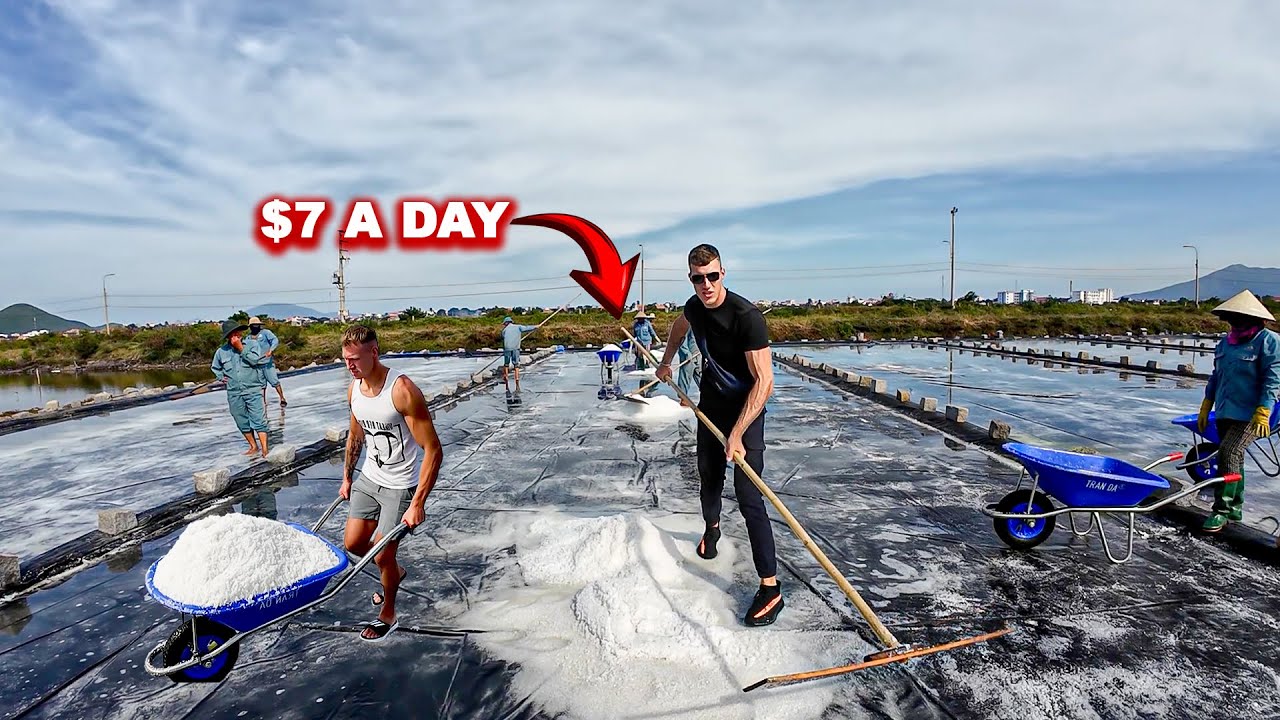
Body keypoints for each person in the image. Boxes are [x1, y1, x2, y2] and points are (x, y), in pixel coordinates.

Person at [655, 243, 781, 627]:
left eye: (712, 276)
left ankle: (770, 588)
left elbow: (765, 382)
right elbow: (680, 326)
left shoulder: (747, 317)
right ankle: (711, 528)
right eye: (698, 278)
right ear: (691, 279)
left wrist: (739, 432)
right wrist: (666, 359)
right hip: (710, 406)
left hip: (747, 411)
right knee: (709, 479)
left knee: (749, 497)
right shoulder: (694, 307)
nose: (706, 284)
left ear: (722, 273)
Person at [339, 325, 444, 641]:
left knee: (382, 554)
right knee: (353, 545)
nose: (350, 366)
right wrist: (346, 477)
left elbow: (433, 450)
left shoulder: (402, 390)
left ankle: (388, 613)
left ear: (374, 352)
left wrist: (418, 503)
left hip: (401, 485)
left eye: (355, 359)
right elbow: (356, 435)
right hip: (370, 479)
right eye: (345, 359)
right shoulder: (354, 389)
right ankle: (393, 573)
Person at [1196, 290, 1280, 532]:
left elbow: (1272, 380)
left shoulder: (1269, 342)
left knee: (1229, 451)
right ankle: (1236, 507)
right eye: (1231, 318)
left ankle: (1221, 510)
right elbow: (1216, 376)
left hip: (1253, 413)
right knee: (1234, 457)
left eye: (1238, 318)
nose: (1234, 323)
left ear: (1254, 318)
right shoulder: (1226, 343)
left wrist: (1264, 410)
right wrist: (1206, 405)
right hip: (1226, 409)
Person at [211, 320, 271, 457]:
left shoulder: (252, 345)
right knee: (240, 419)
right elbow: (215, 367)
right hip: (234, 391)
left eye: (236, 332)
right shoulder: (221, 352)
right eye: (231, 334)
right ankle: (253, 446)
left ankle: (265, 449)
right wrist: (221, 377)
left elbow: (255, 361)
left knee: (259, 419)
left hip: (252, 389)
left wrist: (240, 348)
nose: (235, 335)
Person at [248, 316, 287, 407]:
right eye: (253, 325)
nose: (255, 327)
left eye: (257, 325)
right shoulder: (248, 338)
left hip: (267, 364)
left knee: (274, 381)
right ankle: (263, 402)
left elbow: (275, 340)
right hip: (257, 365)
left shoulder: (266, 333)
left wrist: (271, 350)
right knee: (261, 385)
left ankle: (282, 398)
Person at [500, 316, 538, 397]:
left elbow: (504, 337)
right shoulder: (518, 327)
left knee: (506, 364)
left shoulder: (504, 330)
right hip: (515, 348)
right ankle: (517, 379)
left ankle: (506, 377)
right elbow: (527, 328)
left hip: (507, 348)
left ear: (506, 323)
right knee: (516, 364)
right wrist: (535, 327)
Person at [675, 327, 702, 407]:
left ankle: (708, 396)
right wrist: (687, 354)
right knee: (685, 376)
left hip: (699, 354)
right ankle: (683, 398)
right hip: (688, 356)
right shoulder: (688, 324)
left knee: (701, 377)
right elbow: (682, 340)